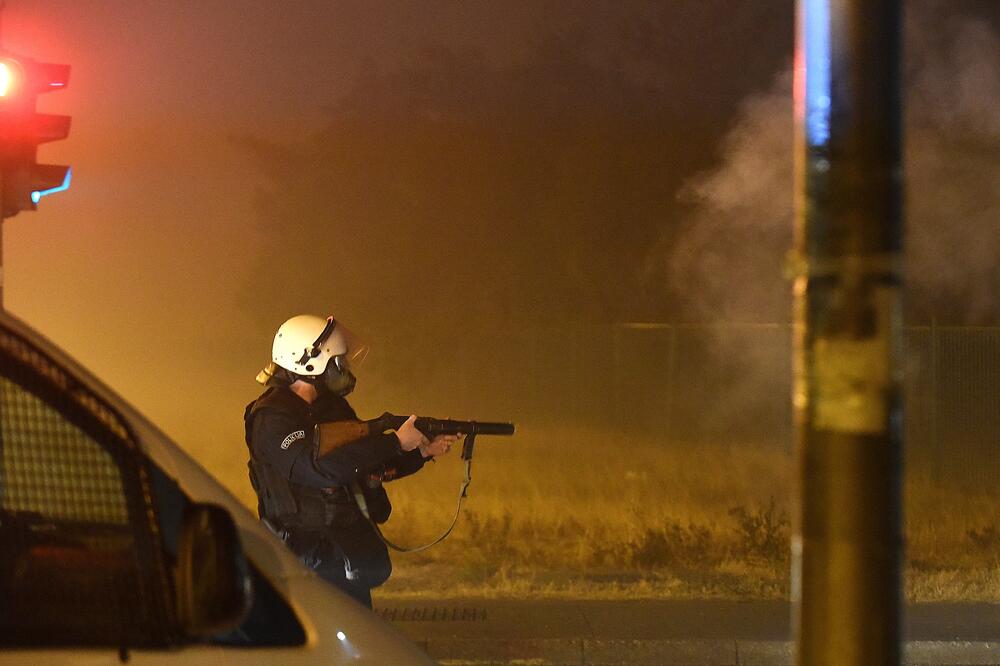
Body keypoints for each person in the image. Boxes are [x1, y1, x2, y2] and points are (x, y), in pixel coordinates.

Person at [244, 314, 458, 607]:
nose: (343, 368)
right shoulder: (272, 418)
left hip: (341, 552)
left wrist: (420, 452)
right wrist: (395, 441)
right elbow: (315, 469)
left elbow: (363, 465)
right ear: (310, 363)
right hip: (300, 559)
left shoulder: (331, 408)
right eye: (337, 361)